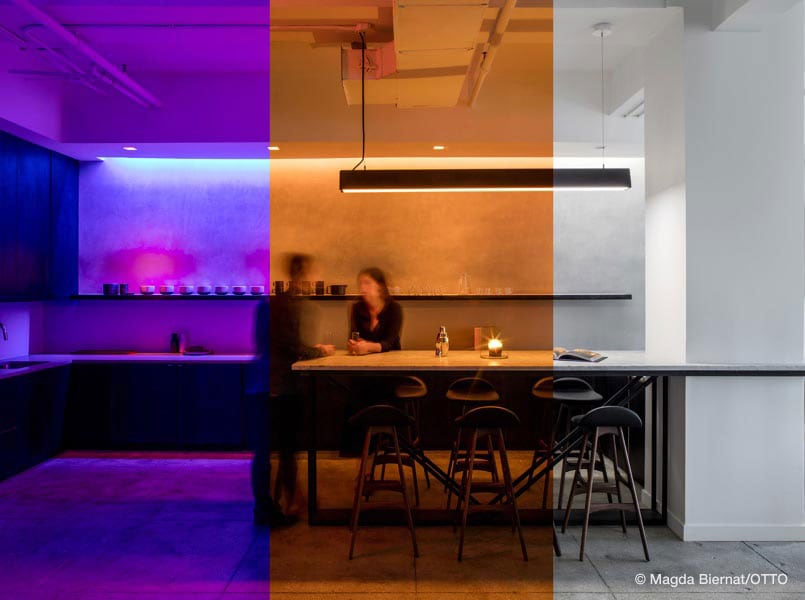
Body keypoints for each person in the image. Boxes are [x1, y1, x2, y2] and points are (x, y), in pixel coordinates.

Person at [248, 253, 335, 527]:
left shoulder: (267, 304)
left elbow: (264, 343)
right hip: (281, 386)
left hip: (260, 383)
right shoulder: (292, 307)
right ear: (302, 275)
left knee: (263, 452)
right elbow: (292, 347)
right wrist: (319, 351)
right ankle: (286, 506)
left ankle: (268, 506)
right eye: (309, 274)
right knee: (286, 449)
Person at [347, 267, 403, 355]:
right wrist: (353, 345)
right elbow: (353, 337)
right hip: (363, 360)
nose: (362, 288)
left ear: (380, 286)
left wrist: (367, 346)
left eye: (367, 283)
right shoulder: (357, 308)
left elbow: (389, 343)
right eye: (360, 284)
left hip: (390, 359)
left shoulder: (394, 308)